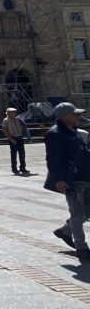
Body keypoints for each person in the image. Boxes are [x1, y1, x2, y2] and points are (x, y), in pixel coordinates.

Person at [44, 102, 90, 263]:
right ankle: (82, 248)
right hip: (71, 179)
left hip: (85, 176)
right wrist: (58, 179)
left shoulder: (74, 130)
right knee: (77, 214)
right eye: (75, 114)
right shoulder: (55, 133)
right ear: (64, 116)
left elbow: (83, 153)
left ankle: (65, 231)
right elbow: (53, 159)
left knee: (87, 212)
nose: (78, 116)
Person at [2, 106, 28, 175]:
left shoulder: (17, 119)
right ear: (8, 113)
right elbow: (4, 130)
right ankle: (14, 169)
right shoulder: (5, 121)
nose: (14, 114)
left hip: (19, 138)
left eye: (15, 112)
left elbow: (24, 126)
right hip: (13, 138)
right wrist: (11, 139)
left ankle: (23, 168)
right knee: (14, 155)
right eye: (12, 113)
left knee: (22, 154)